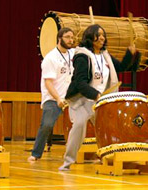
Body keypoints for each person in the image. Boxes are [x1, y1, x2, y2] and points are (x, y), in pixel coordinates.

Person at [58, 24, 140, 171]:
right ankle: (67, 162)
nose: (102, 37)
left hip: (99, 100)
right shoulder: (82, 56)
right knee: (79, 127)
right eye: (99, 34)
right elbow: (80, 83)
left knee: (110, 128)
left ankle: (111, 159)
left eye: (103, 35)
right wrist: (96, 95)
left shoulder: (105, 55)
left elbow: (120, 68)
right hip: (82, 100)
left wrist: (130, 53)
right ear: (90, 37)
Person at [28, 27, 75, 161]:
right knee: (47, 125)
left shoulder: (74, 54)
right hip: (53, 98)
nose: (71, 40)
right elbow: (48, 83)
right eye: (67, 37)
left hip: (70, 98)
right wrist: (58, 98)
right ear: (59, 39)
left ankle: (77, 153)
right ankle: (35, 154)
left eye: (72, 37)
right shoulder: (50, 58)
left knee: (80, 123)